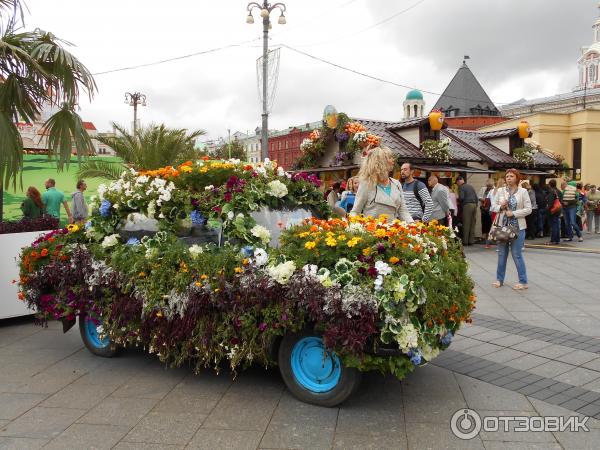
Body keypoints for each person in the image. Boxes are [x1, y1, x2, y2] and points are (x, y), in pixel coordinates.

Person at [491, 169, 531, 290]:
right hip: (502, 227)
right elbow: (493, 206)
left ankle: (523, 281)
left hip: (518, 227)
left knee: (516, 254)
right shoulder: (501, 191)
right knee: (502, 254)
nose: (508, 178)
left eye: (511, 176)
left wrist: (513, 213)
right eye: (507, 176)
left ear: (517, 178)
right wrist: (500, 206)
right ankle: (499, 279)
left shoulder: (523, 192)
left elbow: (528, 209)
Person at [350, 146, 413, 223]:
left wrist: (413, 225)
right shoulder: (367, 184)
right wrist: (353, 228)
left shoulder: (396, 184)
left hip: (393, 232)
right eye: (390, 158)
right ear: (380, 162)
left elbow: (403, 211)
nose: (393, 160)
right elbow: (355, 211)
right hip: (371, 232)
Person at [456, 176, 478, 246]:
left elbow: (461, 198)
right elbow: (476, 197)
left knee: (466, 223)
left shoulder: (461, 187)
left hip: (467, 205)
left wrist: (457, 200)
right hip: (474, 205)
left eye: (457, 183)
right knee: (472, 223)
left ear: (459, 181)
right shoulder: (470, 186)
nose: (457, 185)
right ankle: (471, 241)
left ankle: (465, 241)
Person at [546, 179, 562, 245]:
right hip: (558, 209)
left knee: (553, 226)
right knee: (557, 225)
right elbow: (561, 200)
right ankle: (557, 239)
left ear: (549, 185)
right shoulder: (558, 191)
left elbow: (550, 202)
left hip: (553, 210)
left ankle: (553, 240)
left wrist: (547, 209)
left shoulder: (551, 192)